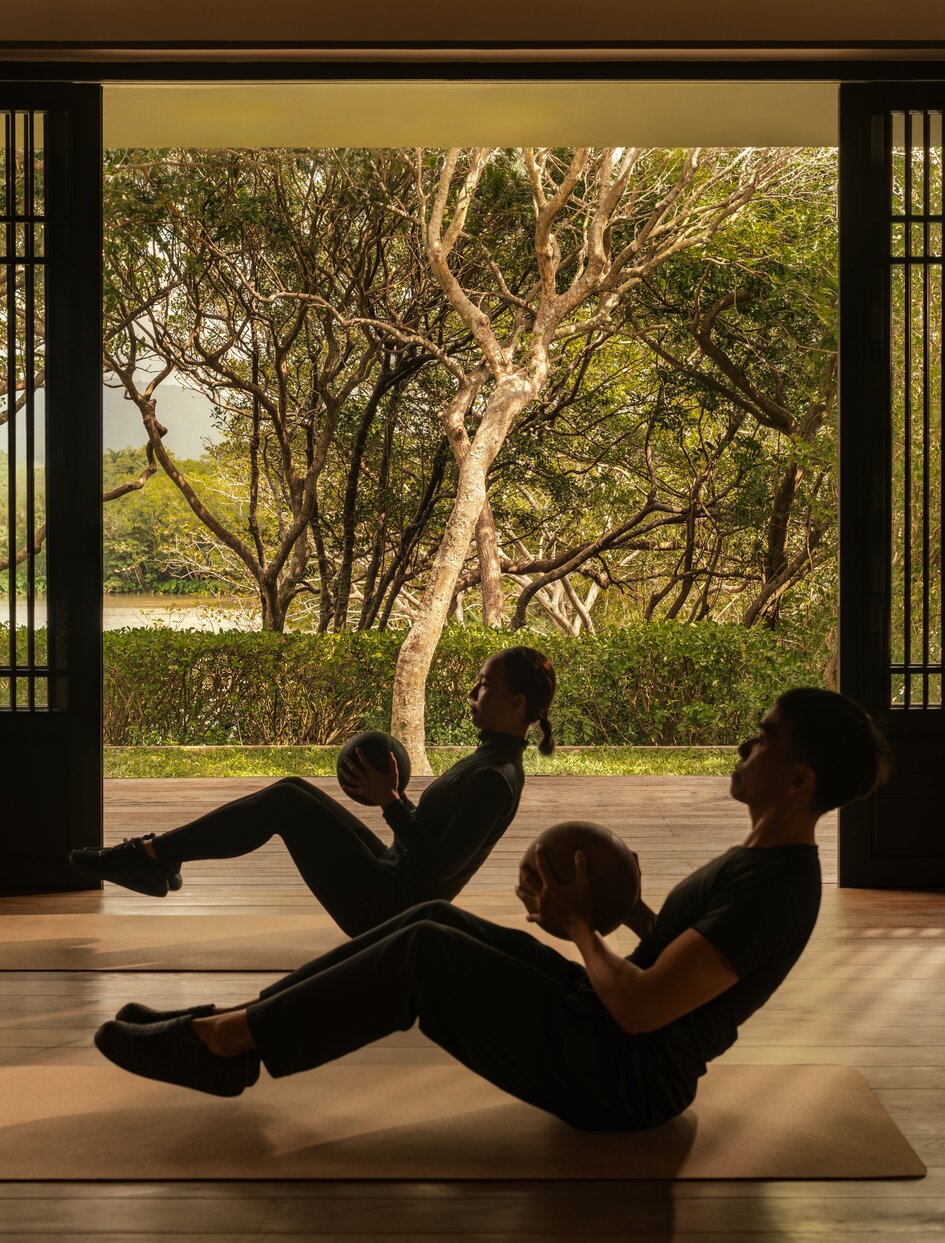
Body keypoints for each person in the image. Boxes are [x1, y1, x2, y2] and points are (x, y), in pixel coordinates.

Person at [94, 687, 890, 1133]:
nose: (743, 748)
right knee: (428, 926)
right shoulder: (760, 862)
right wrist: (630, 909)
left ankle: (228, 1042)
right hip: (604, 1033)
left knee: (423, 957)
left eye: (763, 740)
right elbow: (680, 962)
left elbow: (645, 1009)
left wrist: (578, 921)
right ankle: (235, 1027)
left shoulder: (777, 887)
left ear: (798, 782)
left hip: (623, 1077)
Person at [72, 646, 556, 937]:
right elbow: (429, 841)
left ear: (516, 703)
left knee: (286, 803)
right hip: (390, 880)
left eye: (485, 685)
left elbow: (439, 865)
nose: (473, 692)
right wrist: (392, 800)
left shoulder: (496, 779)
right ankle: (157, 858)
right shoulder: (492, 759)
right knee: (292, 791)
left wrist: (389, 799)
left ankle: (152, 857)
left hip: (386, 909)